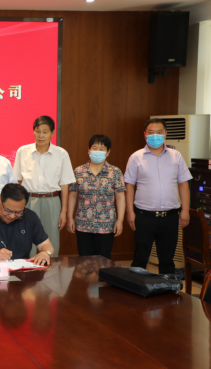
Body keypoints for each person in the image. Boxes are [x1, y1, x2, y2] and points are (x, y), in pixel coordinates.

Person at [125, 118, 192, 275]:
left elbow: (184, 184)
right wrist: (130, 211)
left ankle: (166, 288)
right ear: (145, 134)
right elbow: (129, 186)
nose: (155, 135)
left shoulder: (176, 156)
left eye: (159, 132)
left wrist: (185, 210)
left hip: (170, 217)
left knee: (167, 259)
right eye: (151, 132)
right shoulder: (136, 157)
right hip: (144, 216)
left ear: (165, 134)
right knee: (140, 258)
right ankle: (137, 288)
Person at [13, 115, 75, 257]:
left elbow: (64, 184)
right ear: (33, 131)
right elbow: (18, 181)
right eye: (38, 131)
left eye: (45, 132)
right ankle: (27, 269)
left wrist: (63, 211)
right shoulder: (23, 151)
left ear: (52, 133)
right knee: (26, 240)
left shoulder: (61, 154)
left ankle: (50, 270)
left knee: (51, 241)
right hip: (28, 200)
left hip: (52, 201)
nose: (41, 135)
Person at [67, 134, 126, 259]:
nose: (97, 151)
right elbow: (72, 195)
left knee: (103, 260)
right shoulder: (79, 171)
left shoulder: (115, 172)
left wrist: (120, 220)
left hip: (106, 225)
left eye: (101, 149)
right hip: (83, 224)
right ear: (88, 150)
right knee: (84, 260)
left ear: (108, 152)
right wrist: (70, 217)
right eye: (94, 148)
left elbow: (120, 197)